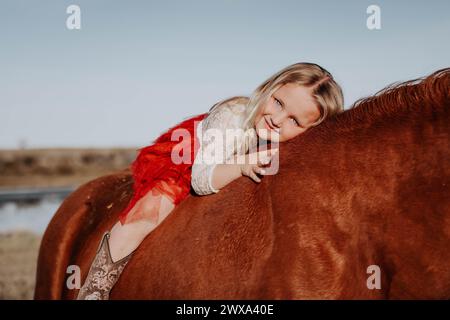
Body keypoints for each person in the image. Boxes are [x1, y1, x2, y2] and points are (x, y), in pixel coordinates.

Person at [76, 62, 345, 299]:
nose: (277, 120)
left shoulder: (282, 142)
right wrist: (241, 164)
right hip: (188, 160)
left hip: (228, 162)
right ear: (269, 88)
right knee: (143, 217)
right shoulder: (233, 115)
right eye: (278, 102)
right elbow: (201, 178)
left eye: (294, 121)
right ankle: (94, 290)